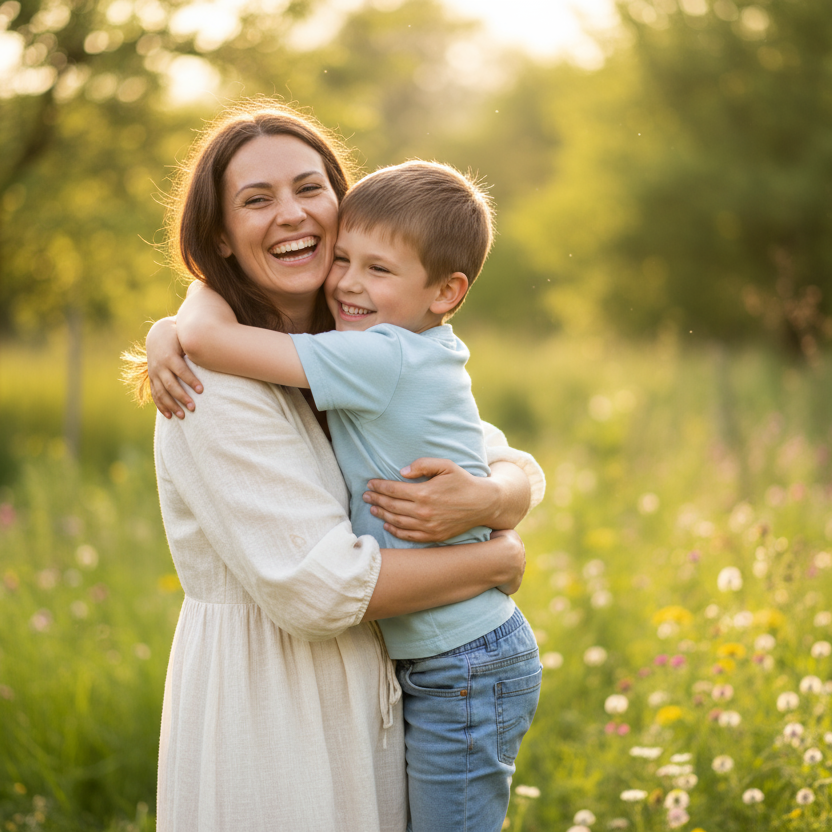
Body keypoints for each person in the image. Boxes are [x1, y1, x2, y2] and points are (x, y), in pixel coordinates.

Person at [129, 101, 545, 832]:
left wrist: (491, 500)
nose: (290, 213)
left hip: (381, 687)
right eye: (256, 200)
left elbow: (500, 455)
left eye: (308, 188)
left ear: (342, 204)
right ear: (220, 237)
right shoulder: (211, 387)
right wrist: (493, 561)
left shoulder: (357, 341)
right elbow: (318, 591)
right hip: (272, 702)